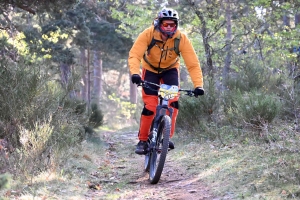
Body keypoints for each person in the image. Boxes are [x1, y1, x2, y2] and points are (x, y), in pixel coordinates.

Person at [128, 8, 204, 155]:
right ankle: (143, 140)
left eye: (172, 24)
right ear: (159, 23)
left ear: (176, 25)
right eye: (166, 24)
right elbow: (135, 55)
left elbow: (193, 64)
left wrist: (198, 85)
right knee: (150, 106)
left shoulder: (181, 39)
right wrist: (135, 73)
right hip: (150, 70)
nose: (169, 27)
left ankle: (166, 138)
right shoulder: (148, 34)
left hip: (170, 70)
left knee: (173, 103)